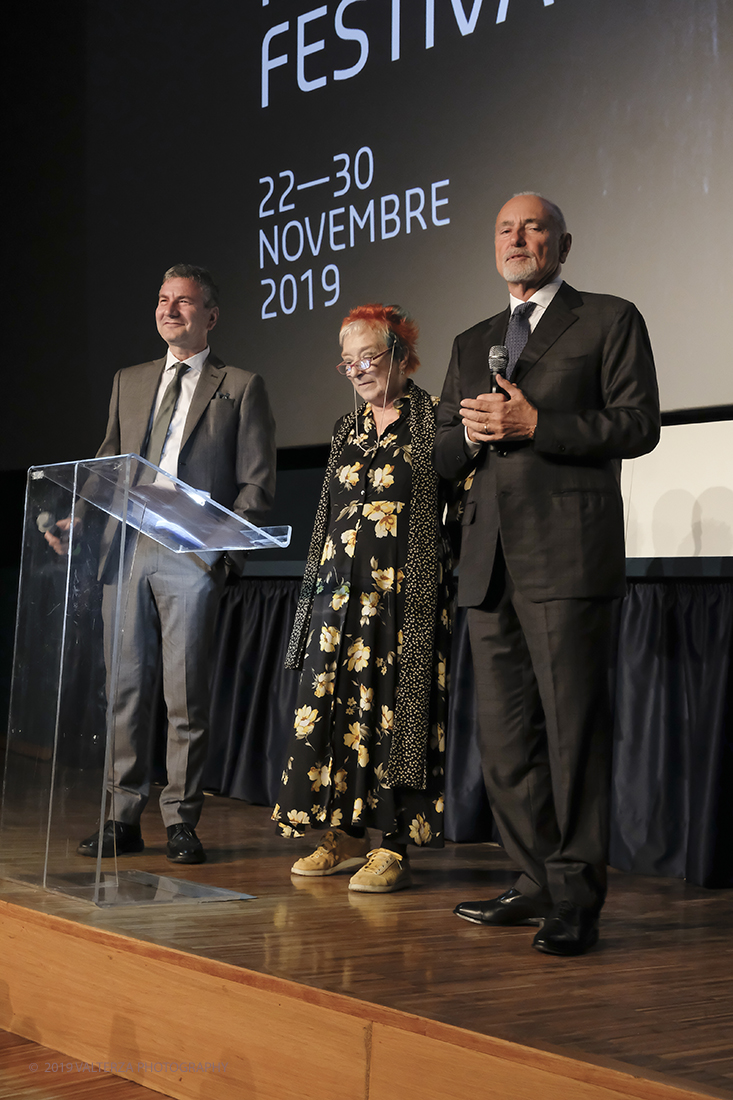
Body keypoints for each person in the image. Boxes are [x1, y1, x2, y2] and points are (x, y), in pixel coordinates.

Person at [433, 193, 660, 954]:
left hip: (566, 555)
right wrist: (465, 438)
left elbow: (636, 424)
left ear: (563, 241)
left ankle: (574, 899)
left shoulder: (607, 318)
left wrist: (539, 425)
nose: (517, 238)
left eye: (532, 227)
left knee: (572, 738)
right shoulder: (471, 340)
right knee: (504, 745)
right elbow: (437, 452)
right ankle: (530, 881)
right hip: (487, 564)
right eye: (504, 228)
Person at [61, 264, 276, 864]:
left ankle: (181, 819)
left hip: (191, 555)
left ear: (211, 315)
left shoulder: (241, 385)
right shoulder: (129, 381)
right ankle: (120, 817)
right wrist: (83, 517)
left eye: (184, 302)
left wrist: (217, 556)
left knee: (186, 697)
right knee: (124, 692)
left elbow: (256, 486)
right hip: (126, 550)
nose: (170, 310)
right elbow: (107, 461)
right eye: (162, 299)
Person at [274, 304, 451, 893]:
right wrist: (310, 608)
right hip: (338, 602)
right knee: (337, 714)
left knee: (393, 718)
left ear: (400, 355)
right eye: (347, 362)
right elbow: (327, 515)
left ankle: (391, 844)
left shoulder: (432, 419)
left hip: (404, 600)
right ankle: (342, 835)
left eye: (367, 357)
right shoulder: (344, 428)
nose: (356, 371)